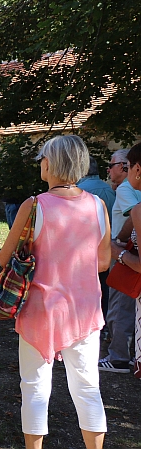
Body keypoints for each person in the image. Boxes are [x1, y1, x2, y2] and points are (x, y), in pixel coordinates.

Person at [1, 135, 109, 449]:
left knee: (34, 389)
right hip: (84, 312)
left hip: (41, 310)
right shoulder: (97, 205)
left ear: (50, 164)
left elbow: (5, 257)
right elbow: (102, 262)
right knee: (88, 388)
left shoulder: (34, 206)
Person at [100, 148, 141, 374]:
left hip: (127, 255)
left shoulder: (127, 189)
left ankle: (118, 357)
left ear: (132, 167)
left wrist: (118, 246)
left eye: (114, 164)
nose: (111, 169)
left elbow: (135, 214)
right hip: (128, 251)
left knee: (119, 306)